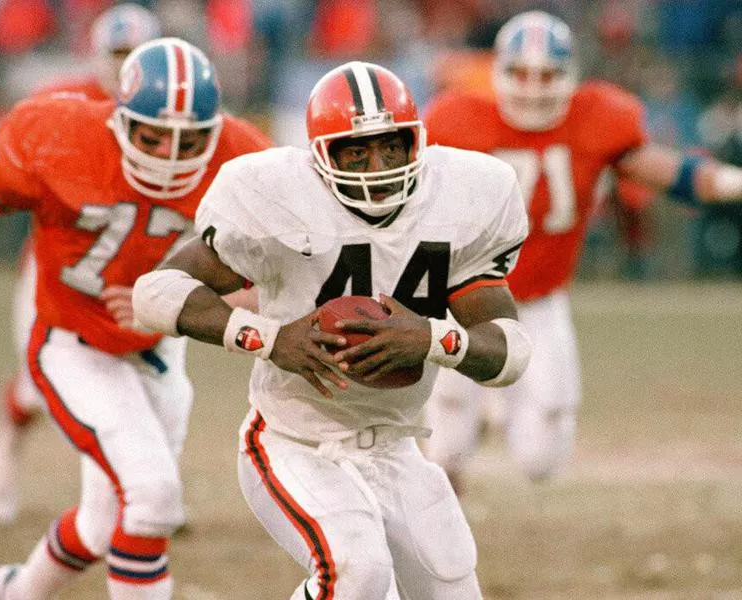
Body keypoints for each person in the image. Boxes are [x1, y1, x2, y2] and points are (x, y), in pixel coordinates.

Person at [133, 60, 532, 600]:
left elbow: (510, 353)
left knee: (452, 585)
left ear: (416, 141)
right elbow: (154, 294)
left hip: (396, 445)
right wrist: (271, 339)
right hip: (294, 439)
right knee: (357, 572)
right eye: (357, 151)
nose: (378, 166)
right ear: (322, 155)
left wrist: (433, 339)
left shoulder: (461, 197)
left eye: (391, 147)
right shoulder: (276, 194)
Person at [0, 37, 272, 599]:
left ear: (216, 130)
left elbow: (283, 286)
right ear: (121, 122)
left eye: (188, 140)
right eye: (152, 136)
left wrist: (176, 302)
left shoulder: (243, 160)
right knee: (153, 496)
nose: (169, 155)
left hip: (160, 347)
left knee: (103, 521)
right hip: (72, 339)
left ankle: (17, 593)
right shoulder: (61, 134)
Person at [422, 10, 742, 487]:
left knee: (540, 459)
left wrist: (733, 181)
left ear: (571, 73)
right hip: (461, 296)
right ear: (499, 73)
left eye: (548, 74)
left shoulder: (597, 119)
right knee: (445, 449)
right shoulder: (455, 119)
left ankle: (499, 403)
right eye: (522, 74)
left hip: (541, 297)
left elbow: (671, 174)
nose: (533, 88)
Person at [0, 1, 163, 526]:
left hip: (137, 267)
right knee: (44, 383)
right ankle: (10, 436)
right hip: (62, 267)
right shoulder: (63, 104)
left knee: (150, 374)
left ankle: (143, 489)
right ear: (97, 55)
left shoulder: (176, 110)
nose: (128, 64)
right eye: (118, 52)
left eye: (138, 53)